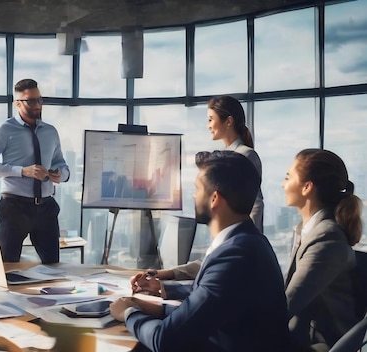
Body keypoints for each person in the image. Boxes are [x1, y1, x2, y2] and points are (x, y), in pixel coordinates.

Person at [113, 150, 289, 351]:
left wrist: (128, 313)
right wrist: (160, 293)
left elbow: (165, 340)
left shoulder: (235, 255)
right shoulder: (247, 241)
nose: (194, 195)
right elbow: (211, 299)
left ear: (214, 198)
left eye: (198, 188)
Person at [134, 95, 264, 281]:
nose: (208, 125)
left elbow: (255, 204)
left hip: (238, 239)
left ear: (228, 121)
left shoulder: (245, 155)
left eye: (211, 119)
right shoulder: (226, 156)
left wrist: (246, 240)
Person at [0, 78, 69, 263]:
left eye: (40, 99)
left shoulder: (50, 131)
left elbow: (62, 164)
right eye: (31, 101)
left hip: (46, 208)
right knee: (8, 267)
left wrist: (60, 174)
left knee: (53, 266)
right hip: (15, 208)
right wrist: (22, 171)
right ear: (17, 103)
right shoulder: (4, 129)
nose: (38, 105)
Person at [283, 149, 361, 349]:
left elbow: (288, 303)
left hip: (318, 343)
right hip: (301, 336)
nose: (283, 185)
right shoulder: (308, 230)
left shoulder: (327, 237)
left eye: (288, 177)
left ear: (307, 187)